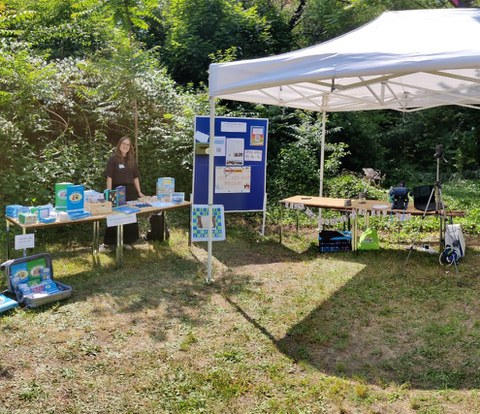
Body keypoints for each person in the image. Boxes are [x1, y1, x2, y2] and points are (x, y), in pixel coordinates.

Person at [102, 136, 144, 250]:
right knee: (115, 216)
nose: (125, 146)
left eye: (128, 144)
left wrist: (139, 192)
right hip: (117, 191)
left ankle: (126, 241)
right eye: (123, 144)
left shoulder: (132, 160)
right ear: (119, 144)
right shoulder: (113, 159)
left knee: (130, 216)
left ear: (130, 147)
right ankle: (109, 243)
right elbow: (109, 177)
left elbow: (136, 178)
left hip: (130, 192)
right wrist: (110, 193)